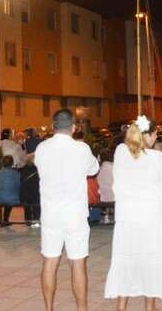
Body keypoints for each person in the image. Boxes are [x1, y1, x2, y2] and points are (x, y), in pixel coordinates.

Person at [105, 119, 162, 310]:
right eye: (155, 135)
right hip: (151, 219)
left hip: (127, 220)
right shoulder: (156, 157)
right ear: (147, 136)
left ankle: (121, 306)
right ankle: (150, 306)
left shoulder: (120, 152)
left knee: (125, 261)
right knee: (151, 262)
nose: (156, 139)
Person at [34, 109, 100, 311]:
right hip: (75, 215)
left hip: (51, 214)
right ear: (73, 127)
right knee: (78, 263)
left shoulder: (42, 148)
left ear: (53, 126)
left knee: (49, 262)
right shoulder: (81, 149)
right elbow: (94, 170)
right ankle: (82, 308)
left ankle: (49, 308)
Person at [20, 128, 42, 227]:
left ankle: (28, 219)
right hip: (35, 196)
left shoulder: (23, 170)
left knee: (28, 197)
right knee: (37, 197)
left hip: (24, 197)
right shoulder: (38, 171)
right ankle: (36, 219)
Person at [0, 155, 21, 226]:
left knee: (7, 197)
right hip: (12, 199)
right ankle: (29, 219)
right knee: (11, 198)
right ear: (12, 163)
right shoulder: (15, 173)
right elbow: (18, 185)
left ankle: (5, 220)